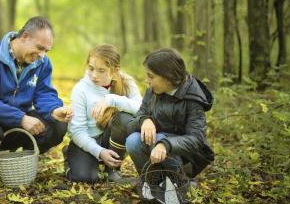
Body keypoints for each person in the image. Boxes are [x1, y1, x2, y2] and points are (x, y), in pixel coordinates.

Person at [0, 16, 73, 179]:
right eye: (39, 48)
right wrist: (20, 118)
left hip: (21, 124)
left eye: (46, 51)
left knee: (57, 125)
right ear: (24, 37)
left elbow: (44, 93)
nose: (42, 55)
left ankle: (22, 161)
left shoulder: (43, 63)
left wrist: (54, 109)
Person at [125, 48, 214, 181]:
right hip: (157, 145)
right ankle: (153, 181)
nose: (147, 81)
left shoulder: (193, 99)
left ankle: (181, 181)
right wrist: (144, 120)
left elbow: (196, 139)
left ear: (167, 78)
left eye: (151, 76)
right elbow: (132, 123)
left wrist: (166, 144)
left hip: (186, 157)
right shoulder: (152, 92)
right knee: (133, 140)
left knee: (160, 138)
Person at [65, 44, 143, 183]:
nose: (94, 75)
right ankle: (70, 156)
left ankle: (112, 170)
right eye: (91, 68)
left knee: (125, 118)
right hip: (88, 138)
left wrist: (112, 100)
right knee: (85, 178)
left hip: (111, 137)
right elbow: (77, 131)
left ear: (115, 70)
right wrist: (99, 152)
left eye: (101, 70)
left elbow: (142, 109)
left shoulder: (127, 82)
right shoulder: (81, 89)